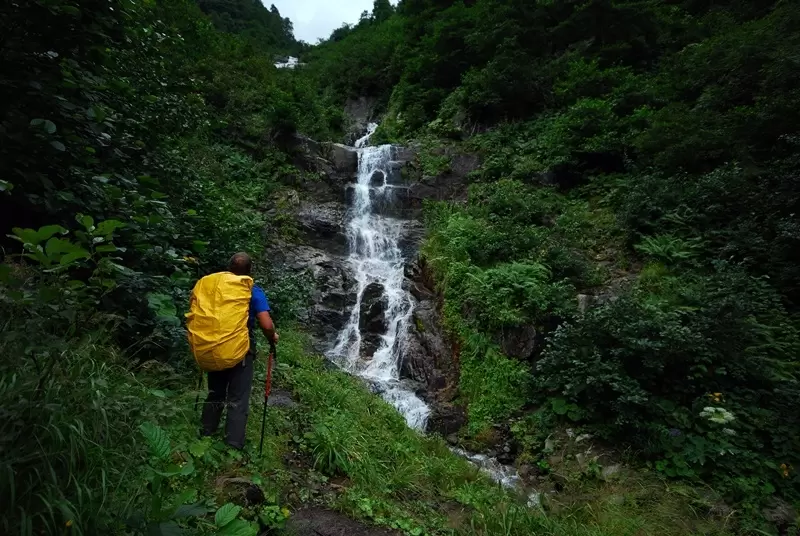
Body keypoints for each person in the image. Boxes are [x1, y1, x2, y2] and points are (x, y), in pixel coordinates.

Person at [200, 252, 279, 449]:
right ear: (250, 271)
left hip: (215, 344)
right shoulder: (252, 290)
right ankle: (233, 445)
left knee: (215, 392)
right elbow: (266, 324)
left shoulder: (215, 288)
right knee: (238, 397)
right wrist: (272, 337)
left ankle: (205, 433)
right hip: (241, 350)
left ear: (228, 269)